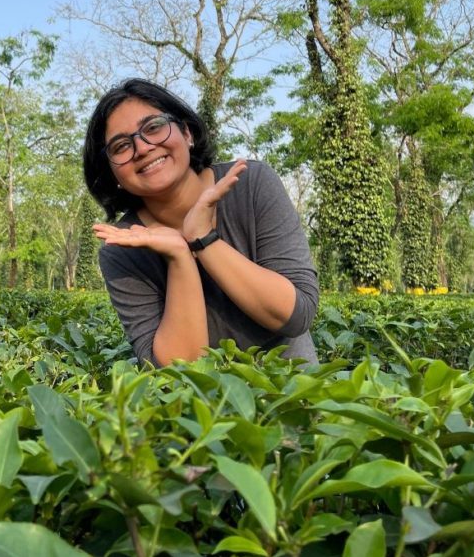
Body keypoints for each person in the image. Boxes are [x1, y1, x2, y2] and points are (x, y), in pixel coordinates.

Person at [83, 78, 319, 367]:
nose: (142, 148)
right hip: (202, 410)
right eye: (121, 146)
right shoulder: (120, 248)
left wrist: (203, 238)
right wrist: (180, 256)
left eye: (153, 127)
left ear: (186, 132)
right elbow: (180, 370)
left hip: (295, 399)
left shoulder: (252, 184)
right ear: (112, 174)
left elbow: (296, 316)